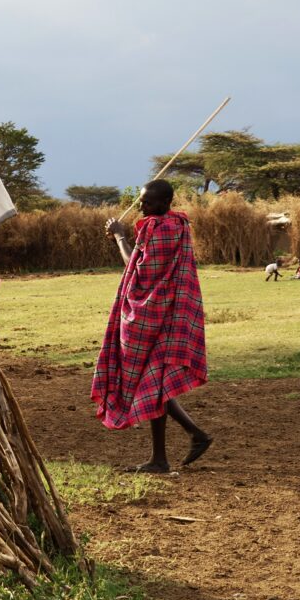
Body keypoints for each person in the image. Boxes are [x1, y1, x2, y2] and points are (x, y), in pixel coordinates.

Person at [93, 179, 213, 473]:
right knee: (154, 383)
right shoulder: (171, 225)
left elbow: (138, 271)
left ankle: (175, 448)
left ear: (164, 204)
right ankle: (185, 441)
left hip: (159, 317)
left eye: (148, 203)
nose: (142, 207)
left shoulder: (164, 230)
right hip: (167, 314)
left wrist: (121, 237)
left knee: (153, 382)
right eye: (142, 201)